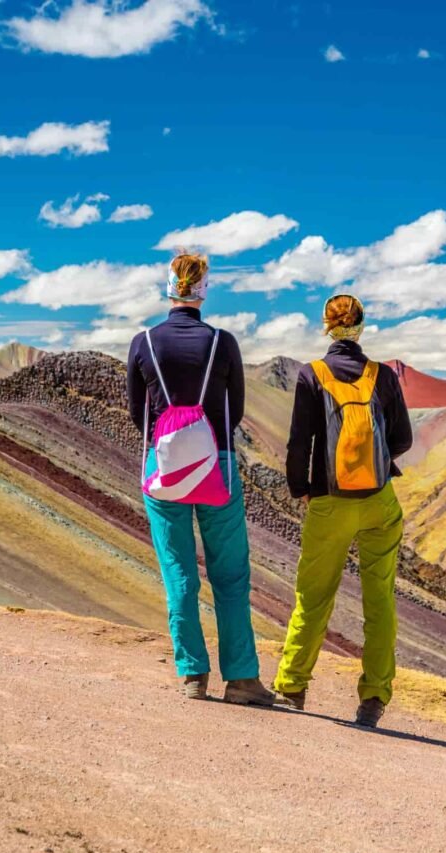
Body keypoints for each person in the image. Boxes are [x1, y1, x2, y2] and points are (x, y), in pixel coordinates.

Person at [126, 252, 277, 706]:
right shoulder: (222, 342)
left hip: (164, 467)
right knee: (229, 575)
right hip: (219, 466)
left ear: (168, 288)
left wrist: (172, 445)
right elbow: (237, 408)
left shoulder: (144, 342)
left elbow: (139, 413)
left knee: (178, 571)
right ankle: (243, 679)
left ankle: (193, 674)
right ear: (204, 289)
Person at [275, 294, 413, 728]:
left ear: (326, 327)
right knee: (380, 601)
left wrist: (303, 489)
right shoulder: (382, 375)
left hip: (329, 502)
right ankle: (373, 699)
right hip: (379, 502)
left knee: (312, 599)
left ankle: (292, 686)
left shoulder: (311, 375)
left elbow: (300, 443)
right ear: (361, 327)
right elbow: (404, 439)